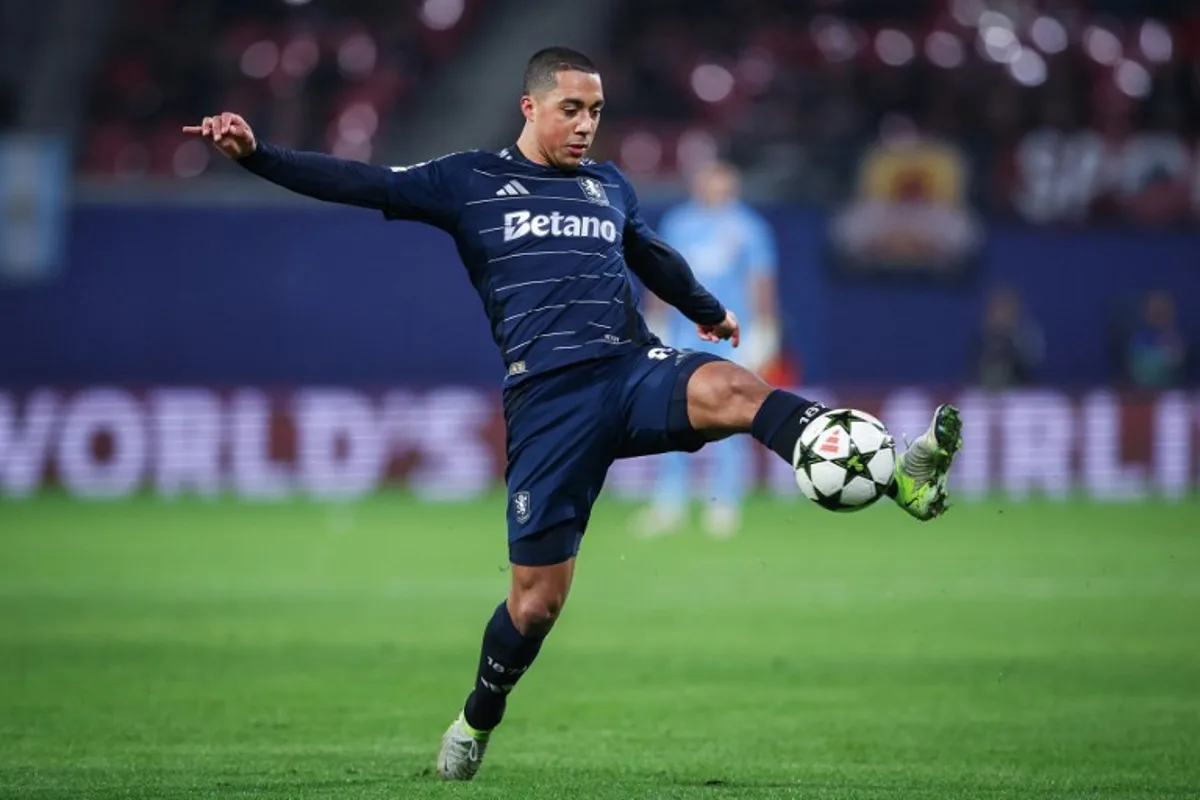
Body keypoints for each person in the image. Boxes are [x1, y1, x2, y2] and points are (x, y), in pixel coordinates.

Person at [184, 46, 963, 782]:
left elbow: (649, 253)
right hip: (548, 402)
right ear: (530, 106)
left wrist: (706, 309)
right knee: (536, 605)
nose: (587, 124)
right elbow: (361, 181)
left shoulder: (607, 186)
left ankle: (900, 474)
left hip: (628, 370)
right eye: (572, 109)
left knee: (734, 388)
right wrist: (258, 156)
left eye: (596, 110)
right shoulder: (468, 180)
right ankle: (476, 720)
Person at [632, 160, 781, 538]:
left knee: (731, 419)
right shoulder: (679, 223)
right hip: (683, 338)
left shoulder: (749, 228)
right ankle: (669, 500)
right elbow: (659, 275)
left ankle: (725, 501)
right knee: (668, 417)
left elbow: (759, 281)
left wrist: (765, 327)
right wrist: (655, 322)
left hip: (731, 337)